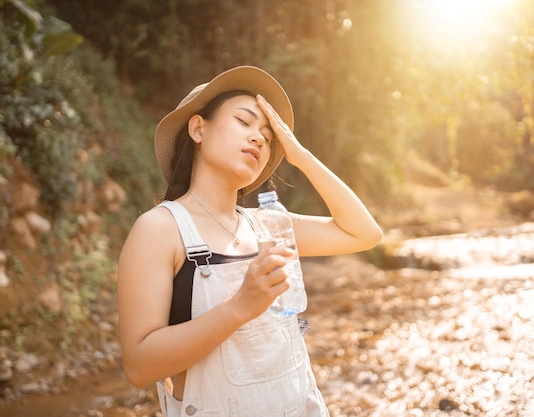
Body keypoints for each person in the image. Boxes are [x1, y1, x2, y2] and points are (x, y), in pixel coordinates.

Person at [117, 65, 382, 417]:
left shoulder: (268, 225)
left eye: (268, 137)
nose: (259, 138)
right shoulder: (159, 229)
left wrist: (300, 155)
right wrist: (240, 307)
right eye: (244, 122)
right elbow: (139, 366)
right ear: (198, 129)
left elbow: (363, 233)